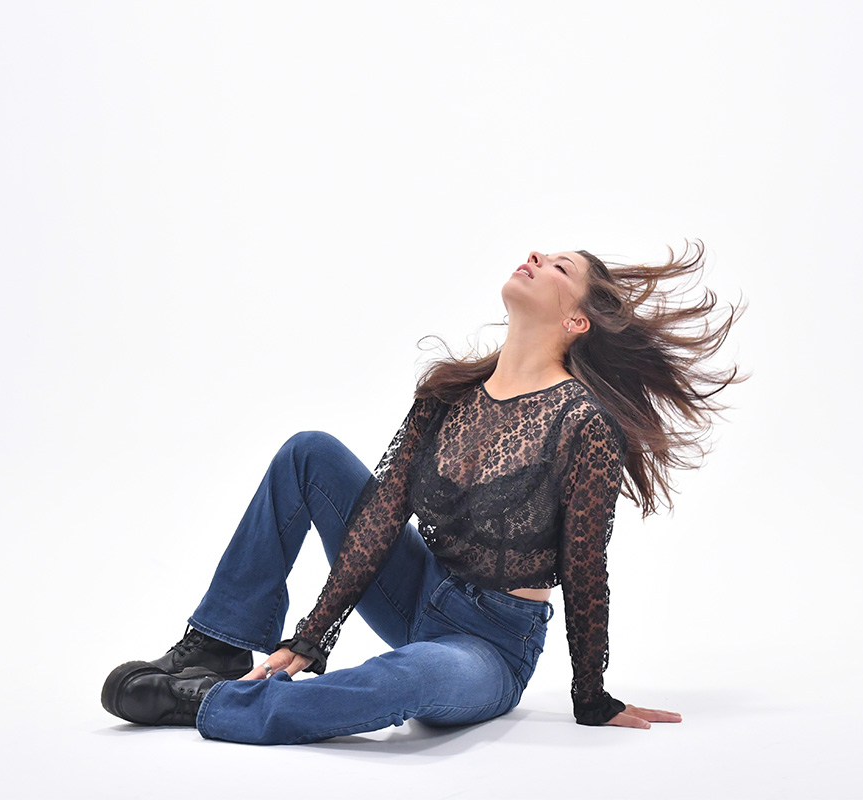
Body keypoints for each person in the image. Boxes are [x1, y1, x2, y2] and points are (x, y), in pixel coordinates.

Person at [101, 242, 744, 744]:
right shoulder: (448, 394)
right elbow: (382, 517)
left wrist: (592, 697)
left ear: (577, 319)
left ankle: (214, 703)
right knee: (309, 452)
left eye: (559, 266)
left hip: (489, 646)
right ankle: (218, 643)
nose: (536, 257)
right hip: (415, 591)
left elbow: (584, 567)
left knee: (403, 679)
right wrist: (311, 636)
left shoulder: (584, 424)